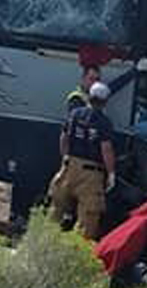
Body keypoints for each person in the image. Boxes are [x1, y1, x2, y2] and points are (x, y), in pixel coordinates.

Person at [50, 81, 117, 239]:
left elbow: (64, 138)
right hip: (91, 173)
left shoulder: (75, 114)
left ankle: (44, 243)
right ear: (105, 101)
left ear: (89, 97)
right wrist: (111, 173)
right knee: (88, 217)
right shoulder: (104, 122)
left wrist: (65, 158)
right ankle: (76, 250)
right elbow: (106, 149)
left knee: (56, 209)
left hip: (70, 167)